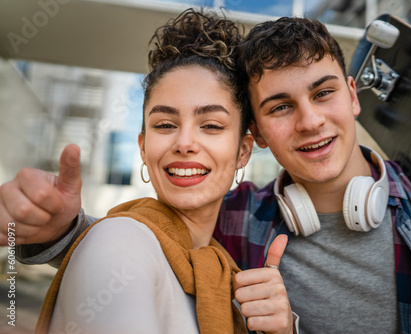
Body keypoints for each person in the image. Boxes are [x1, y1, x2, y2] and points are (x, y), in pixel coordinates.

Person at [0, 14, 411, 334]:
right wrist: (58, 232)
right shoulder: (237, 217)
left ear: (354, 97)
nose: (310, 120)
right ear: (258, 136)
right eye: (281, 106)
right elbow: (151, 245)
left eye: (323, 93)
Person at [25, 9, 296, 334]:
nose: (184, 143)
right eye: (165, 125)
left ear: (243, 151)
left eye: (210, 125)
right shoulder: (118, 242)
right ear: (143, 147)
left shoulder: (228, 280)